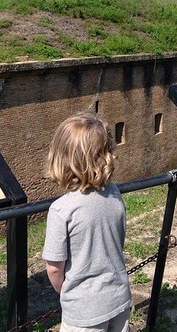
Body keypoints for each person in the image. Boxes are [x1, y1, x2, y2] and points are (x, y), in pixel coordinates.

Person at [42, 113, 132, 332]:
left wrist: (66, 291)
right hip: (119, 298)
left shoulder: (62, 210)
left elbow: (54, 268)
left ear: (61, 159)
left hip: (84, 311)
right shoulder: (113, 193)